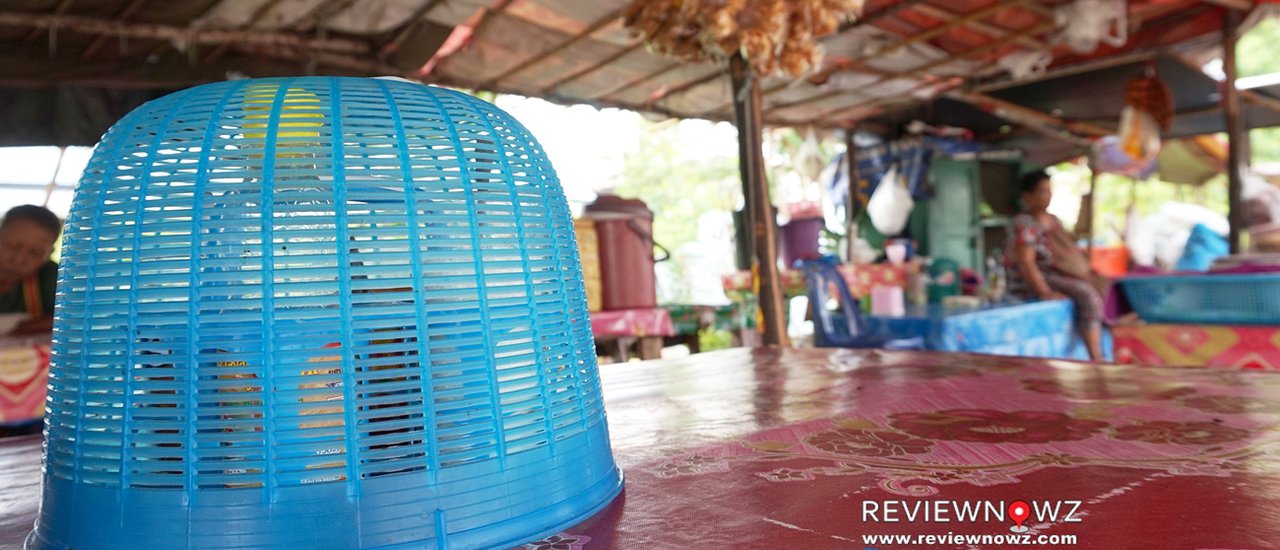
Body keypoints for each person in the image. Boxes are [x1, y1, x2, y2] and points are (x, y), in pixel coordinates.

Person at [1007, 171, 1105, 361]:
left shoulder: (1053, 220)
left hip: (1057, 273)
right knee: (1086, 294)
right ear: (1027, 196)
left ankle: (1111, 327)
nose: (1049, 195)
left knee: (1102, 282)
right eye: (1043, 191)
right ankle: (1096, 357)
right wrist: (1044, 292)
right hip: (1036, 278)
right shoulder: (1024, 223)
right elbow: (1026, 262)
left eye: (1050, 190)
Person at [0, 205, 60, 335]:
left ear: (49, 254)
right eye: (13, 246)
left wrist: (16, 331)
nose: (20, 258)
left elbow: (68, 317)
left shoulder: (52, 276)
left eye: (35, 252)